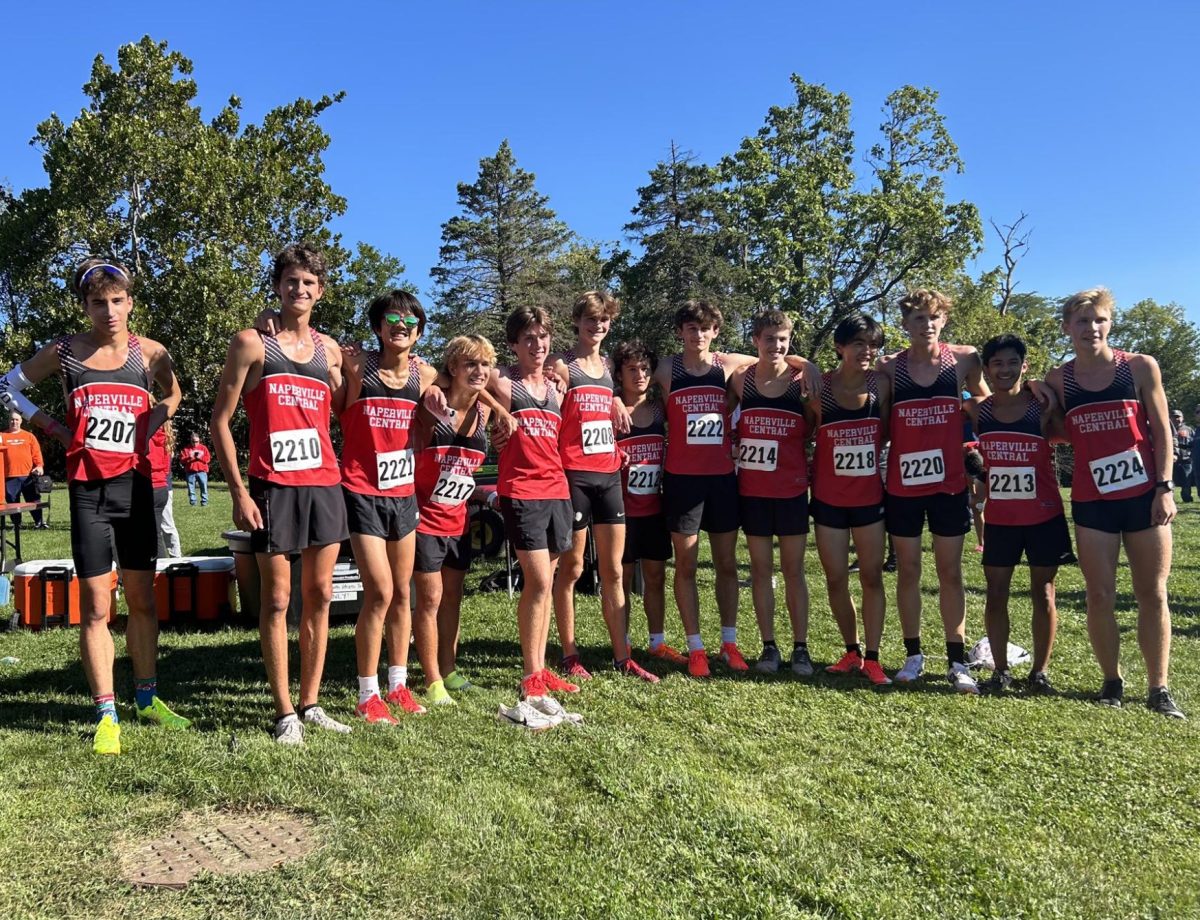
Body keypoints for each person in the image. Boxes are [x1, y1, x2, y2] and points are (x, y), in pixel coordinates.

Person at [0, 257, 189, 755]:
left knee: (143, 600)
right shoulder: (64, 353)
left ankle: (147, 698)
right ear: (84, 306)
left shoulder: (149, 353)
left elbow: (174, 394)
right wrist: (55, 428)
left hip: (136, 487)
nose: (109, 311)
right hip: (89, 492)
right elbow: (8, 385)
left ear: (130, 302)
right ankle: (106, 712)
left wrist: (154, 420)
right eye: (98, 303)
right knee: (96, 607)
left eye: (118, 300)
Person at [210, 243, 352, 745]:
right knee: (277, 599)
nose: (299, 290)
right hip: (273, 485)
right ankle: (285, 711)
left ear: (321, 291)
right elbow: (220, 421)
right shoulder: (251, 342)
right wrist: (238, 491)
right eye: (291, 281)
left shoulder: (330, 349)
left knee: (320, 595)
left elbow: (349, 405)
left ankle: (311, 703)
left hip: (324, 484)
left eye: (309, 283)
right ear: (278, 285)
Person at [1046, 288, 1184, 718]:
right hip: (1093, 500)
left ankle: (1158, 687)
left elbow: (1162, 432)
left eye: (1099, 320)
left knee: (1152, 593)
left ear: (1110, 323)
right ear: (1068, 327)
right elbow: (1055, 430)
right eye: (1082, 321)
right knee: (1099, 594)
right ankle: (1112, 680)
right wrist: (1039, 396)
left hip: (1145, 497)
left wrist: (1164, 486)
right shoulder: (1059, 379)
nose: (1092, 328)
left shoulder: (1140, 367)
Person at [653, 300, 807, 677]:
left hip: (722, 480)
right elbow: (624, 373)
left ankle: (730, 642)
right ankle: (696, 646)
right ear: (680, 332)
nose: (698, 334)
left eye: (705, 328)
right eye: (691, 328)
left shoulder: (729, 365)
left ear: (715, 332)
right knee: (686, 564)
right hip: (682, 481)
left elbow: (777, 353)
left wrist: (810, 364)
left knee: (725, 563)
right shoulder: (665, 369)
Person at [877, 289, 988, 693]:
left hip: (948, 483)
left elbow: (984, 399)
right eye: (918, 318)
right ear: (905, 324)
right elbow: (882, 421)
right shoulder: (889, 367)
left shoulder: (963, 359)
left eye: (934, 317)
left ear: (944, 321)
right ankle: (913, 655)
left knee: (950, 572)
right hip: (904, 484)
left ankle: (958, 662)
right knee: (908, 570)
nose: (927, 324)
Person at [337, 291, 440, 724]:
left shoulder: (425, 374)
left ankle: (398, 684)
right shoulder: (357, 365)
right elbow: (338, 410)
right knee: (378, 592)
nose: (401, 325)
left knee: (402, 593)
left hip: (403, 494)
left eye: (411, 321)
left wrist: (434, 414)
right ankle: (367, 693)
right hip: (361, 489)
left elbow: (427, 428)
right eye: (392, 318)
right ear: (379, 327)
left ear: (418, 331)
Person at [548, 292, 656, 683]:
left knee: (613, 570)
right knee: (572, 567)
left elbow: (609, 400)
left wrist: (612, 398)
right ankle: (569, 652)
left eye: (604, 321)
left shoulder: (610, 366)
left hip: (609, 474)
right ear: (578, 322)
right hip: (573, 474)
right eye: (590, 320)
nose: (597, 327)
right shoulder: (561, 364)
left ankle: (622, 655)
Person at [489, 306, 583, 729]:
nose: (537, 345)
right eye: (528, 338)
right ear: (513, 343)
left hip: (557, 490)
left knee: (552, 580)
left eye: (543, 337)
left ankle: (541, 668)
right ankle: (531, 676)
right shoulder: (503, 381)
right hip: (521, 491)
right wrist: (499, 410)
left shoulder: (557, 387)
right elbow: (463, 378)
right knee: (539, 581)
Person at [966, 334, 1073, 695]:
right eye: (997, 363)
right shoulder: (978, 411)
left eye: (1013, 362)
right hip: (1001, 520)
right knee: (997, 594)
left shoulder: (1041, 406)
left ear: (1024, 366)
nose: (1005, 369)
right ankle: (1000, 671)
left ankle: (1039, 673)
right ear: (987, 370)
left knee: (1044, 593)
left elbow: (1071, 428)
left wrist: (1040, 385)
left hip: (1044, 516)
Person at [728, 311, 818, 675]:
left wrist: (806, 362)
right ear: (755, 341)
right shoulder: (741, 380)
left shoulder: (802, 381)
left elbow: (817, 424)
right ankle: (769, 646)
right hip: (753, 490)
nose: (777, 346)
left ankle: (801, 648)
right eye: (769, 338)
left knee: (794, 571)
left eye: (783, 339)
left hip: (792, 488)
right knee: (761, 570)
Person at [411, 335, 495, 706]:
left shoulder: (486, 412)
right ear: (453, 369)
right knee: (429, 599)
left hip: (458, 519)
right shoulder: (430, 405)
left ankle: (449, 668)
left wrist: (481, 493)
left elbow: (464, 471)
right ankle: (431, 680)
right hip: (423, 517)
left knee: (453, 598)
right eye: (470, 364)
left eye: (484, 365)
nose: (479, 371)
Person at [810, 314, 892, 686]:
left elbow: (887, 431)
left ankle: (873, 658)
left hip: (869, 499)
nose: (866, 351)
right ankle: (851, 650)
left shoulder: (882, 385)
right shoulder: (819, 387)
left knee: (872, 577)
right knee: (835, 578)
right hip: (828, 498)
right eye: (858, 343)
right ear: (840, 347)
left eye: (873, 344)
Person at [613, 341, 687, 669]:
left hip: (654, 508)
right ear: (619, 374)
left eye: (644, 369)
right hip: (621, 512)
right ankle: (623, 642)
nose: (640, 375)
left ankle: (657, 642)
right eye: (632, 369)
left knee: (656, 577)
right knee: (623, 579)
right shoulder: (611, 411)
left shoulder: (660, 409)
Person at [1, 414, 47, 529]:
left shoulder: (29, 436)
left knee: (33, 500)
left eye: (16, 419)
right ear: (8, 420)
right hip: (9, 476)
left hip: (28, 476)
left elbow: (36, 453)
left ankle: (39, 522)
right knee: (12, 502)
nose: (14, 422)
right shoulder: (2, 436)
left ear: (21, 421)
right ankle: (17, 524)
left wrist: (39, 466)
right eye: (12, 419)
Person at [148, 416, 182, 558]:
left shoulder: (153, 439)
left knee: (163, 527)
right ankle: (172, 556)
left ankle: (174, 556)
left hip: (156, 486)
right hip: (162, 486)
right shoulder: (164, 439)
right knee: (161, 527)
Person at [178, 432, 210, 506]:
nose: (195, 443)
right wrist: (190, 457)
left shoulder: (203, 448)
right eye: (193, 441)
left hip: (202, 471)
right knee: (191, 488)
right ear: (190, 441)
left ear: (199, 441)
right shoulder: (186, 449)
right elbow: (182, 460)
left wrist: (200, 458)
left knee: (204, 487)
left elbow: (208, 459)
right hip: (190, 472)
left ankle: (204, 502)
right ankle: (193, 502)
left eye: (197, 441)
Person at [1170, 410, 1193, 503]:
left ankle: (1186, 497)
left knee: (1187, 481)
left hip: (1186, 459)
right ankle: (1170, 499)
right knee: (1170, 481)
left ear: (1182, 418)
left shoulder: (1188, 429)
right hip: (1171, 460)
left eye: (1178, 417)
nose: (1176, 419)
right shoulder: (1167, 428)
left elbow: (1193, 443)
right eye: (1173, 417)